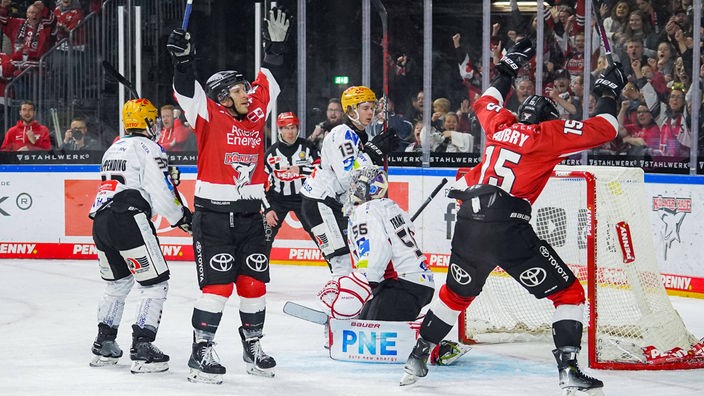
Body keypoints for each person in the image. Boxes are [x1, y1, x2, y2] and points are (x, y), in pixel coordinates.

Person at [400, 39, 626, 396]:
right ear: (548, 119)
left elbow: (485, 101)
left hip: (468, 227)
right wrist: (609, 91)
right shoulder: (547, 134)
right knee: (568, 294)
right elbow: (607, 128)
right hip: (507, 228)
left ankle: (418, 355)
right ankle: (568, 370)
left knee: (455, 295)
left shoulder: (501, 125)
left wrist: (506, 71)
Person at [167, 6, 291, 383]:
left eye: (245, 88)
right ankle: (200, 352)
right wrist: (184, 60)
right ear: (222, 96)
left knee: (254, 284)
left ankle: (253, 347)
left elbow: (268, 77)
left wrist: (277, 47)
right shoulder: (206, 113)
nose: (247, 92)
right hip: (214, 218)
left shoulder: (256, 113)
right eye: (238, 89)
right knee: (218, 288)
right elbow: (185, 87)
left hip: (251, 218)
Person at [88, 98, 192, 374]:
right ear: (146, 122)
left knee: (117, 284)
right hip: (128, 219)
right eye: (153, 119)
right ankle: (143, 347)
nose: (157, 124)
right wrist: (181, 217)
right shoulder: (148, 147)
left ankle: (104, 344)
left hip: (101, 219)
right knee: (155, 284)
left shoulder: (114, 147)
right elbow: (160, 189)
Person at [299, 86, 398, 280]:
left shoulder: (362, 136)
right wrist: (372, 153)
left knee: (360, 256)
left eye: (372, 107)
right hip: (320, 203)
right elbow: (347, 177)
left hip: (336, 204)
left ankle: (356, 300)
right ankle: (342, 306)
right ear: (351, 111)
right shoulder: (341, 134)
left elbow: (362, 177)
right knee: (340, 263)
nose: (370, 112)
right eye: (365, 108)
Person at [263, 111, 320, 258]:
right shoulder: (271, 153)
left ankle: (338, 270)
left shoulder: (308, 148)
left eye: (293, 127)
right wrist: (267, 209)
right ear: (279, 130)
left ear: (298, 128)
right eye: (286, 128)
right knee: (264, 238)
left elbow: (322, 170)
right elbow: (259, 185)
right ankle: (257, 276)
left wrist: (300, 170)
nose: (290, 131)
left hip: (305, 198)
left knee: (320, 234)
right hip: (278, 199)